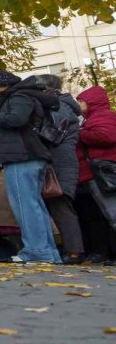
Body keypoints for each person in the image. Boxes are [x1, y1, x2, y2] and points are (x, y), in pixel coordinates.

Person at [0, 70, 61, 263]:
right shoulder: (24, 95)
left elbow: (17, 119)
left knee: (25, 206)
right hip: (28, 155)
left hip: (22, 157)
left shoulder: (18, 96)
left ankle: (36, 252)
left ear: (3, 85)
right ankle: (46, 252)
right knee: (34, 206)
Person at [34, 74, 85, 263]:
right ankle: (72, 249)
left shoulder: (58, 105)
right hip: (60, 161)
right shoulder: (62, 104)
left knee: (61, 205)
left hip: (60, 162)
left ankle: (74, 251)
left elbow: (51, 134)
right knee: (59, 206)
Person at [76, 85, 116, 263]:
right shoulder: (93, 118)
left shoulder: (102, 117)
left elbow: (107, 136)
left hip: (103, 172)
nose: (79, 104)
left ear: (91, 102)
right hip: (98, 172)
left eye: (81, 101)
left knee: (112, 213)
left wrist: (80, 134)